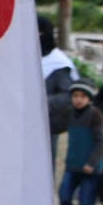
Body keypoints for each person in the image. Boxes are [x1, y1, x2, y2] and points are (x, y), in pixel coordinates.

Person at [59, 81, 103, 205]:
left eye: (83, 96)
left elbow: (100, 142)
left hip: (90, 169)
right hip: (72, 165)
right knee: (64, 197)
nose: (78, 100)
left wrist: (92, 163)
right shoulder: (69, 113)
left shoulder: (95, 115)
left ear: (89, 99)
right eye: (75, 96)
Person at [39, 15, 77, 158]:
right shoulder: (27, 56)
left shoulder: (59, 64)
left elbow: (67, 95)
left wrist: (41, 102)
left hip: (47, 124)